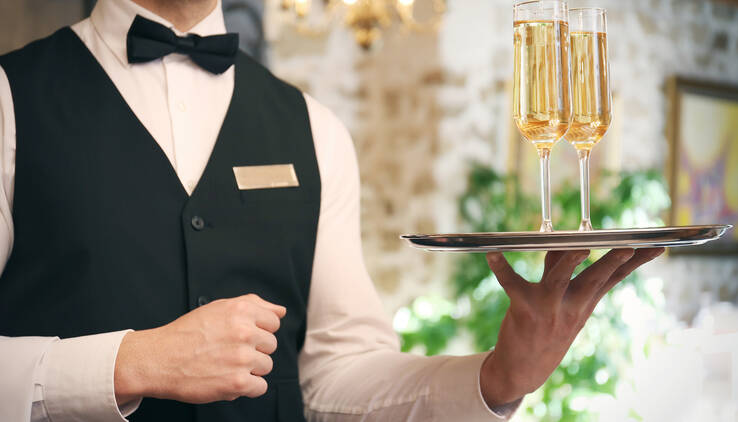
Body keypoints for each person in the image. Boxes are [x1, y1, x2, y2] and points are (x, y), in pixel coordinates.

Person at [0, 0, 665, 421]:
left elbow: (336, 380)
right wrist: (130, 364)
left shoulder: (314, 128)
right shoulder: (9, 99)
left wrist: (497, 377)